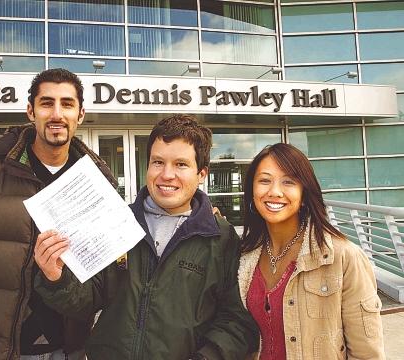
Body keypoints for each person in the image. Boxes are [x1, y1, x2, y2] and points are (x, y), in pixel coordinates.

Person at [34, 114, 259, 360]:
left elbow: (235, 321)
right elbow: (87, 301)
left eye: (181, 164)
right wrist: (55, 277)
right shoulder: (118, 221)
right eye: (158, 162)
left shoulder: (221, 238)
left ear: (202, 173)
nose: (166, 175)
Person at [0, 68, 116, 360]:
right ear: (31, 112)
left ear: (80, 115)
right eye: (47, 103)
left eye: (67, 104)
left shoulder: (98, 181)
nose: (57, 114)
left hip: (69, 348)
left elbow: (103, 284)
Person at [238, 143, 385, 360]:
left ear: (305, 193)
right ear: (252, 190)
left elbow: (368, 354)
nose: (274, 191)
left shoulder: (343, 257)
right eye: (264, 180)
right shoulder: (244, 256)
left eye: (288, 181)